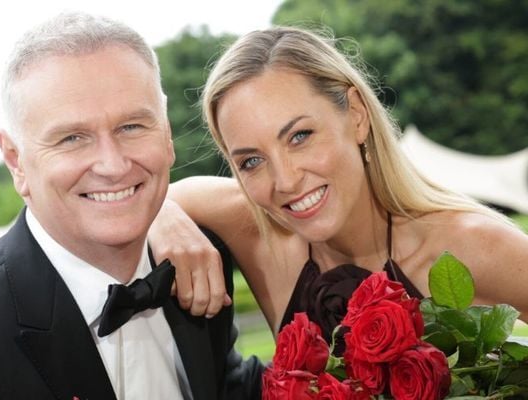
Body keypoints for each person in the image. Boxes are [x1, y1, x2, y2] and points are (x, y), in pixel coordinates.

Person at [0, 12, 263, 399]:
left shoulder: (195, 263)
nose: (113, 165)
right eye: (72, 138)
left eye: (131, 126)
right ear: (16, 160)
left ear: (166, 133)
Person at [150, 26, 528, 344]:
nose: (285, 181)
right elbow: (167, 195)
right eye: (251, 161)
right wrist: (164, 219)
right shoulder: (265, 243)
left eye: (299, 136)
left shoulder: (473, 246)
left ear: (358, 115)